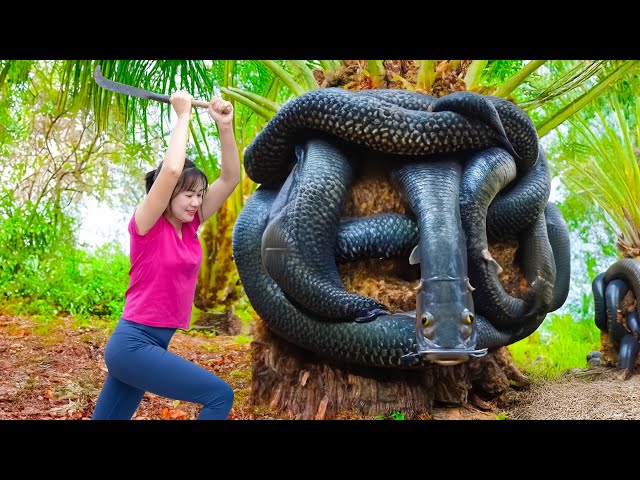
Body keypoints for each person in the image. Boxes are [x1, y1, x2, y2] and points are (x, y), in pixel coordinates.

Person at [92, 91, 240, 420]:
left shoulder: (190, 227)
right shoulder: (146, 226)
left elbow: (230, 178)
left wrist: (225, 127)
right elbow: (172, 170)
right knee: (219, 396)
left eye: (200, 195)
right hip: (133, 345)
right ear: (169, 193)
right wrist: (183, 114)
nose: (196, 202)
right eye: (189, 194)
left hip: (149, 346)